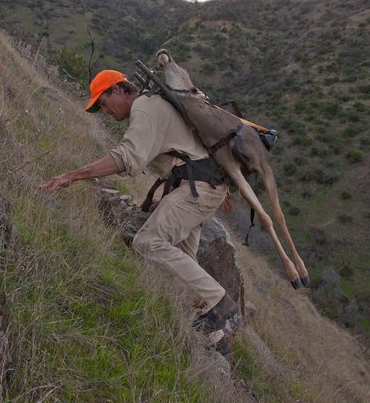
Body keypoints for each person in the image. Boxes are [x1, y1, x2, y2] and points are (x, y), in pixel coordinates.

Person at [40, 69, 240, 345]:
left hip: (198, 189)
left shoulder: (145, 108)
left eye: (102, 102)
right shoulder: (154, 104)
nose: (103, 110)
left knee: (148, 242)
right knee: (183, 261)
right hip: (202, 186)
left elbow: (126, 158)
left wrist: (71, 176)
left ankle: (220, 303)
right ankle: (215, 339)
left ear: (119, 90)